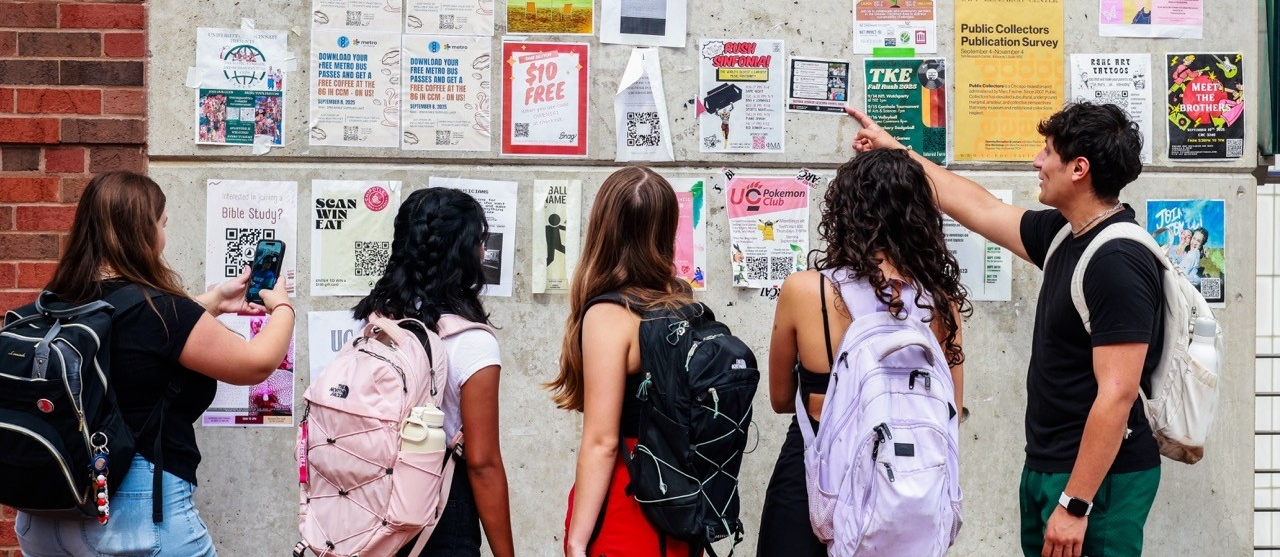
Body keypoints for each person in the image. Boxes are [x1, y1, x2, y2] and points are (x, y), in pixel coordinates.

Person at [847, 102, 1163, 557]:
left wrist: (1075, 504)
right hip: (1050, 465)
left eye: (1047, 152)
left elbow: (1118, 394)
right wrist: (895, 150)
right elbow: (978, 206)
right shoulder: (1065, 234)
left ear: (1079, 168)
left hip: (1099, 482)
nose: (1037, 161)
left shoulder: (1117, 260)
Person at [15, 171, 295, 556]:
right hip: (134, 513)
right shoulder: (164, 313)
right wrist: (282, 306)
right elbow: (257, 363)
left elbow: (137, 335)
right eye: (162, 224)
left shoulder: (57, 304)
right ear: (142, 231)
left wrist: (212, 301)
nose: (164, 235)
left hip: (43, 518)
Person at [756, 149, 970, 556]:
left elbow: (782, 400)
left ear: (845, 212)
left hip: (812, 483)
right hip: (904, 486)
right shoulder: (941, 305)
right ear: (921, 216)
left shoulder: (808, 291)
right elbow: (952, 412)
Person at [350, 187, 514, 557]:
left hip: (369, 514)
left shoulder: (376, 326)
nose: (483, 252)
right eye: (479, 242)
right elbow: (483, 464)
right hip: (442, 518)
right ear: (464, 253)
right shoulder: (471, 342)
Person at [546, 166, 696, 557]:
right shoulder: (682, 304)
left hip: (627, 500)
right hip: (678, 503)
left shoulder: (609, 315)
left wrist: (577, 541)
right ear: (666, 230)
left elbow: (602, 441)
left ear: (603, 226)